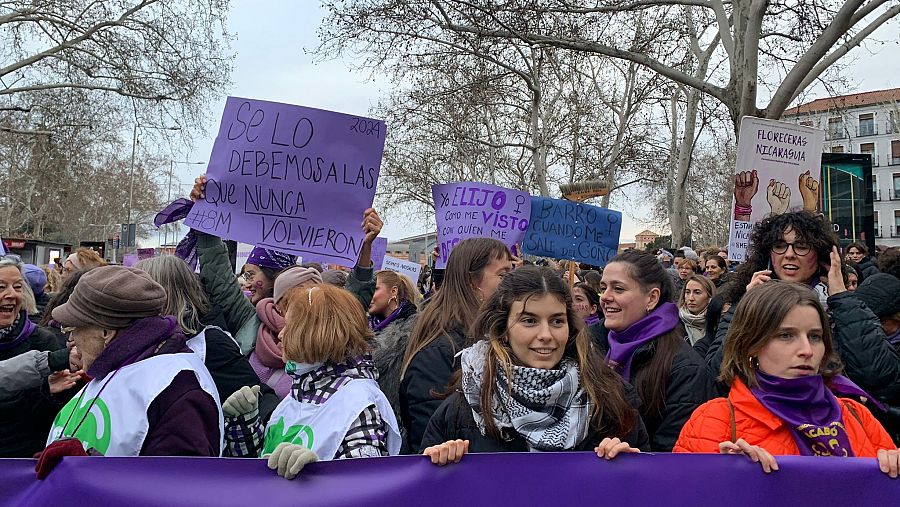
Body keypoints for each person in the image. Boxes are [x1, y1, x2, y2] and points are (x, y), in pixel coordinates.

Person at [421, 266, 648, 463]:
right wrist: (437, 466)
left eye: (557, 321)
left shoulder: (612, 400)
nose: (546, 334)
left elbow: (648, 491)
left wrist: (630, 466)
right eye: (529, 321)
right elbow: (421, 495)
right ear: (502, 329)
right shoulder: (464, 408)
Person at [674, 281, 900, 477]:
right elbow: (683, 495)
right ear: (751, 344)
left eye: (815, 336)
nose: (807, 350)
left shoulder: (856, 414)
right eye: (786, 335)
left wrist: (894, 470)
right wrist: (726, 479)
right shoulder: (715, 420)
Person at [43, 266, 223, 461]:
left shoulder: (179, 391)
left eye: (75, 328)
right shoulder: (115, 369)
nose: (71, 338)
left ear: (106, 333)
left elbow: (178, 485)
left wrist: (87, 470)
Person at [222, 284, 400, 479]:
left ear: (314, 332)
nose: (281, 334)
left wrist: (317, 475)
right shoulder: (301, 390)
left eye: (289, 326)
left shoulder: (358, 404)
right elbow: (261, 472)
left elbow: (364, 486)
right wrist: (245, 423)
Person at [400, 238, 513, 453]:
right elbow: (430, 438)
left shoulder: (498, 339)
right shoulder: (438, 353)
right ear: (472, 281)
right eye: (503, 275)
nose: (512, 282)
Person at [598, 250, 715, 451]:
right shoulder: (593, 345)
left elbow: (674, 453)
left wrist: (631, 456)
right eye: (603, 288)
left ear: (652, 298)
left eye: (618, 289)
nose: (605, 297)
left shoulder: (686, 369)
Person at [135, 255, 277, 408]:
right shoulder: (138, 341)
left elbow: (255, 396)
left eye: (138, 292)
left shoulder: (210, 344)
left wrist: (235, 411)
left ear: (165, 294)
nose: (131, 300)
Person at [0, 257, 66, 457]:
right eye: (1, 287)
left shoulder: (42, 342)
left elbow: (55, 419)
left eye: (18, 287)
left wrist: (49, 394)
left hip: (21, 464)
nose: (12, 294)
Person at [368, 269, 419, 426]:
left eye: (375, 289)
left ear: (393, 291)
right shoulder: (367, 327)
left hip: (398, 419)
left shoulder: (412, 329)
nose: (369, 295)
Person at [678, 275, 715, 347]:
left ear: (709, 297)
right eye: (687, 292)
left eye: (697, 292)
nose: (691, 298)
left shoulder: (719, 323)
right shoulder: (674, 323)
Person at [572, 282, 605, 346]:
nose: (571, 303)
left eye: (578, 299)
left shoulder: (599, 335)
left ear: (592, 309)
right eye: (569, 299)